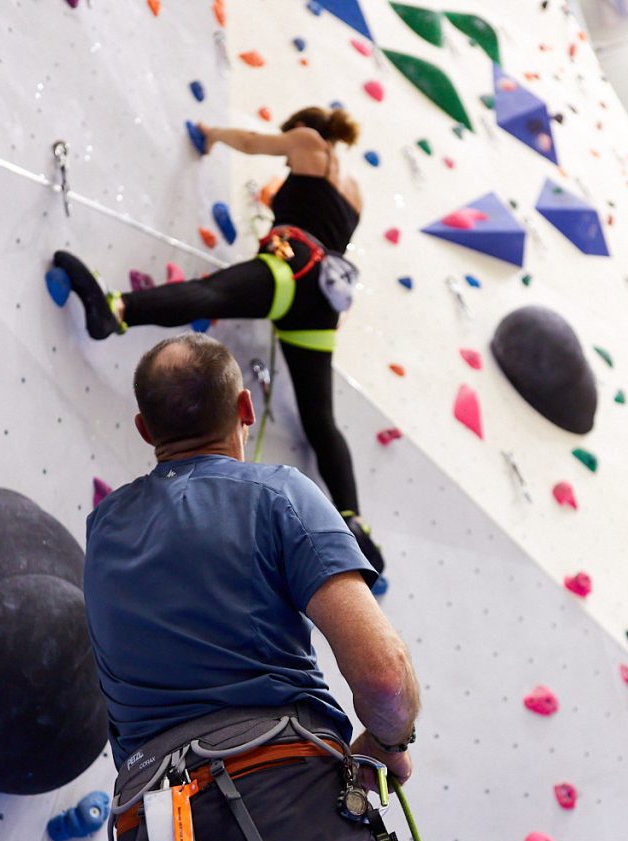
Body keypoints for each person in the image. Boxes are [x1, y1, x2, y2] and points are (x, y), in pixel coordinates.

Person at [84, 333, 420, 841]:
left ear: (146, 430)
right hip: (282, 810)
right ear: (243, 406)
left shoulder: (105, 528)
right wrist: (387, 743)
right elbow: (384, 678)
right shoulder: (277, 493)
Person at [53, 105, 385, 575]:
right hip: (323, 305)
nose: (290, 164)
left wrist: (212, 135)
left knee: (212, 293)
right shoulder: (356, 192)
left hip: (293, 269)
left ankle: (117, 310)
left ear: (303, 129)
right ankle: (354, 522)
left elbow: (252, 142)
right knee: (320, 418)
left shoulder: (308, 142)